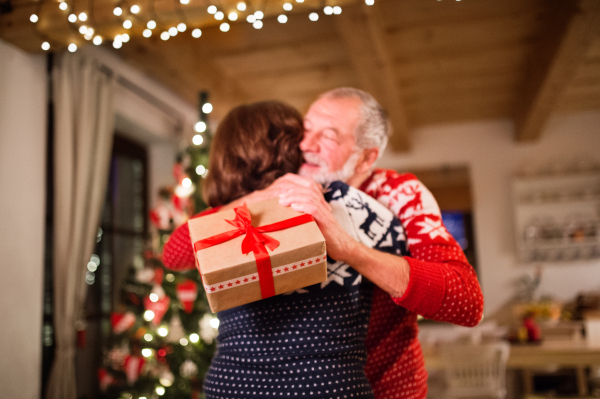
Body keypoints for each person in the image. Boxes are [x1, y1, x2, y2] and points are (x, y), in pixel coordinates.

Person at [225, 88, 485, 398]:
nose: (306, 146)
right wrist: (255, 198)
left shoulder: (400, 194)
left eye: (329, 137)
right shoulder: (289, 184)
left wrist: (348, 249)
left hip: (386, 390)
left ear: (367, 157)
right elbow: (182, 252)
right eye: (307, 131)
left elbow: (467, 302)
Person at [164, 100, 412, 398]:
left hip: (236, 386)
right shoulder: (336, 201)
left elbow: (173, 253)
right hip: (328, 385)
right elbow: (174, 253)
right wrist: (264, 197)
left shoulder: (226, 220)